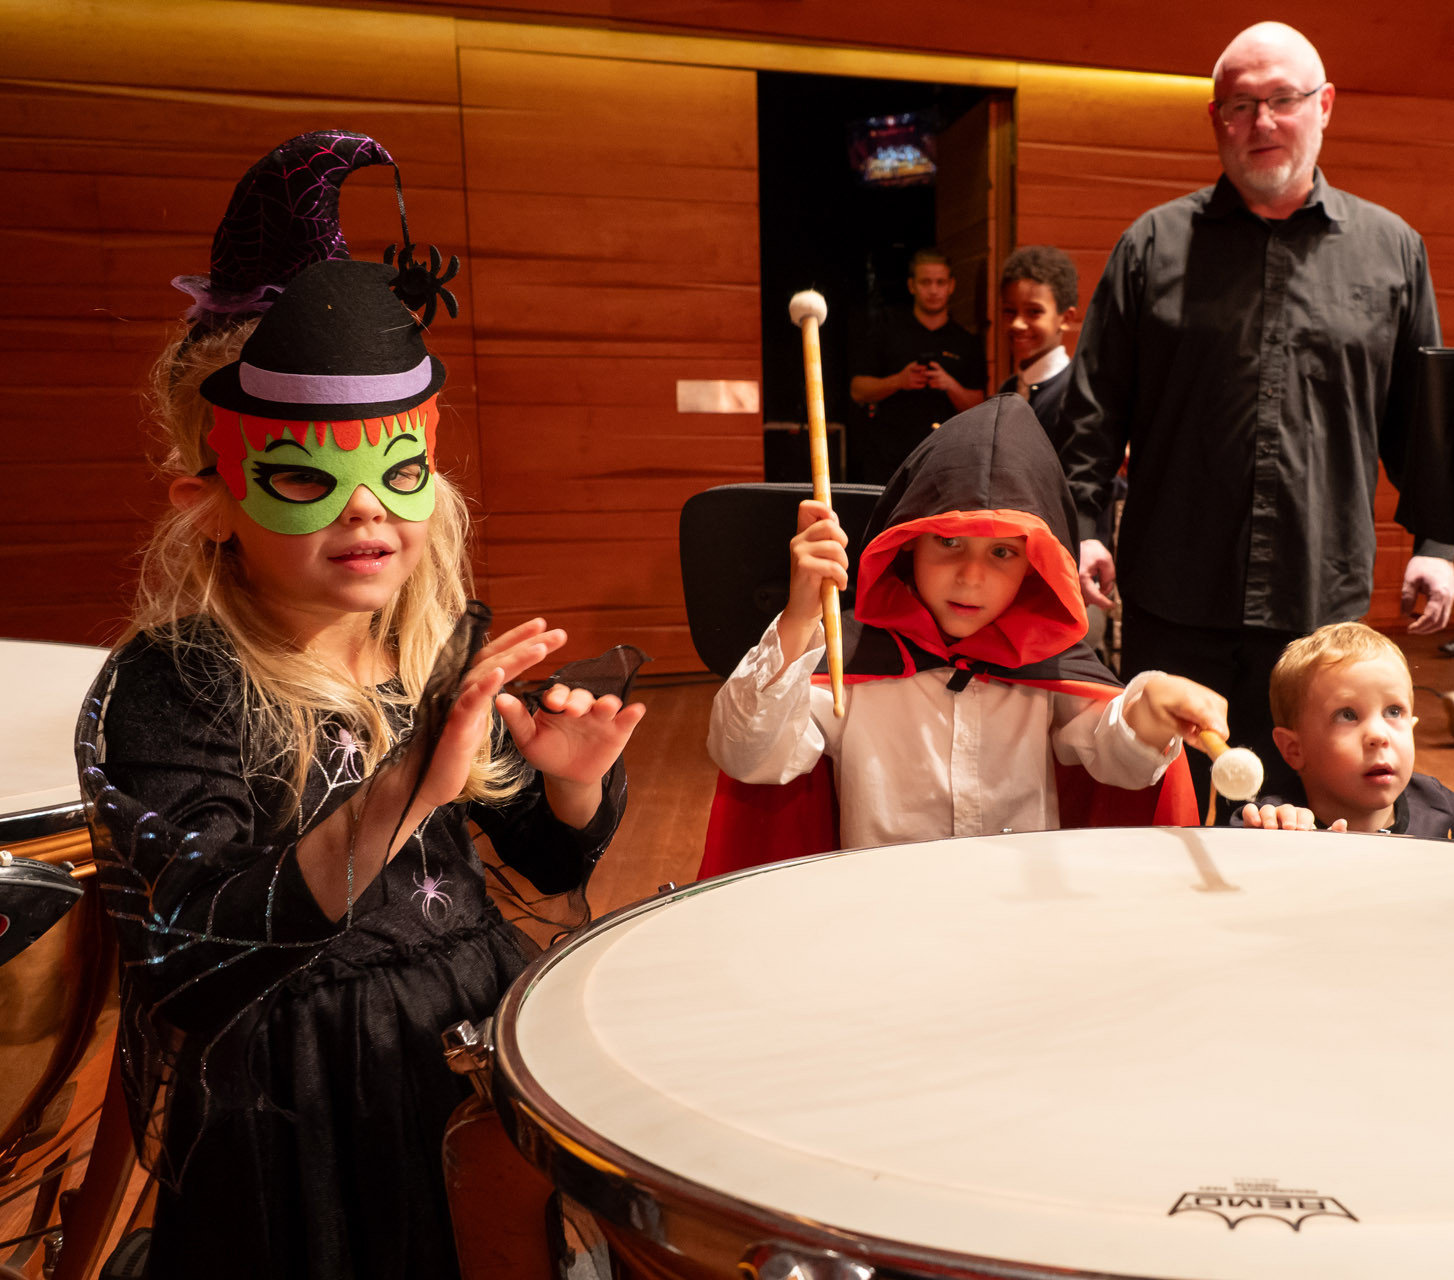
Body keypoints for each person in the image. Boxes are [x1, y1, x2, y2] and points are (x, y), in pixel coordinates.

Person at [75, 257, 642, 1280]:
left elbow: (550, 860)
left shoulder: (432, 650)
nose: (367, 509)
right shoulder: (177, 681)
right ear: (209, 503)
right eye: (305, 479)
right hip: (305, 1086)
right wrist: (406, 783)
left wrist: (572, 782)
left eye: (400, 473)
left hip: (468, 1032)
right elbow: (195, 943)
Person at [1057, 21, 1454, 815]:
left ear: (1324, 106)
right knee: (1158, 813)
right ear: (1216, 119)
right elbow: (1093, 408)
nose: (1262, 122)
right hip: (1174, 591)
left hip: (1318, 597)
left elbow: (1421, 423)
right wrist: (1086, 527)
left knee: (1300, 822)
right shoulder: (1151, 246)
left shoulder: (1393, 251)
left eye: (1282, 100)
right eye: (1240, 106)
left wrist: (1436, 544)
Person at [703, 395, 1212, 872]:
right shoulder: (849, 660)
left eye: (1002, 552)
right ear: (907, 543)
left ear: (1035, 567)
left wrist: (1149, 708)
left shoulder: (1049, 663)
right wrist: (798, 618)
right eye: (949, 542)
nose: (971, 577)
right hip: (884, 908)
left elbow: (1121, 762)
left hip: (1015, 909)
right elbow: (747, 755)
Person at [1237, 623, 1454, 845]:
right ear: (1294, 749)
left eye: (1393, 712)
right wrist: (1270, 840)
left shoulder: (1438, 805)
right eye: (1347, 715)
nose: (1379, 735)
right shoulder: (1276, 821)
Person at [848, 247, 986, 484]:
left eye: (940, 282)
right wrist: (899, 381)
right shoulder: (886, 334)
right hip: (890, 461)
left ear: (951, 286)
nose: (933, 290)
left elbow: (980, 405)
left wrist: (949, 385)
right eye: (925, 282)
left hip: (947, 460)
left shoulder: (966, 342)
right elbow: (857, 390)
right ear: (912, 285)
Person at [997, 245, 1082, 449]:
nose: (1017, 324)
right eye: (1009, 311)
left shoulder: (1076, 392)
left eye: (1034, 312)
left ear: (1066, 318)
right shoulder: (1008, 389)